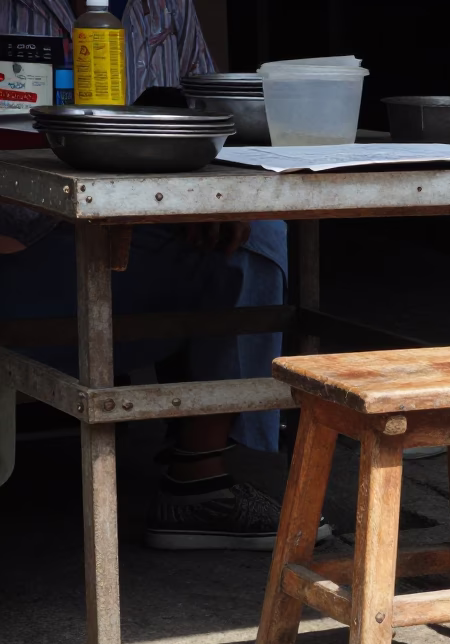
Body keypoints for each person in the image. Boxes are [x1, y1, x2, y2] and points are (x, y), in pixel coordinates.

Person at [0, 0, 329, 550]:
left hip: (138, 226)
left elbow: (203, 111)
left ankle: (198, 481)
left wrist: (216, 194)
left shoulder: (166, 7)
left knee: (256, 232)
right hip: (22, 231)